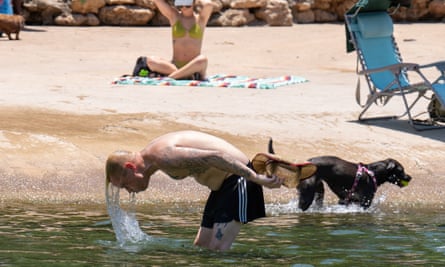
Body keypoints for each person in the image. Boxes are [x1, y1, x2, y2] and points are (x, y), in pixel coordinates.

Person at [105, 130, 284, 251]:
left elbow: (217, 156)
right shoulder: (153, 157)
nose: (129, 190)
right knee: (202, 247)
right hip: (222, 188)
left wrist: (256, 177)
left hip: (239, 180)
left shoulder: (165, 156)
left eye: (124, 184)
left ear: (130, 168)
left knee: (217, 250)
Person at [132, 0, 213, 80]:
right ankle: (182, 75)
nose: (184, 8)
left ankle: (172, 76)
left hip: (193, 66)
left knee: (202, 59)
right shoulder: (174, 16)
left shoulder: (200, 20)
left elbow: (208, 4)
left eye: (187, 5)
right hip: (174, 66)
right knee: (151, 60)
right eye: (180, 5)